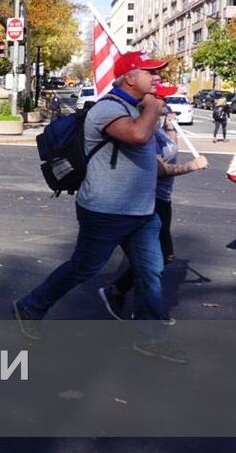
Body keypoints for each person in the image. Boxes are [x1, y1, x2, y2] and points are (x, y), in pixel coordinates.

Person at [12, 51, 186, 363]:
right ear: (130, 78)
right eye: (150, 72)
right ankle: (31, 306)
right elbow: (135, 136)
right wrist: (152, 108)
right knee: (85, 267)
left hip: (142, 212)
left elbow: (150, 159)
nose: (157, 77)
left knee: (151, 271)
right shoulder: (109, 109)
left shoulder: (137, 108)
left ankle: (150, 337)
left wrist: (180, 167)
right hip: (105, 209)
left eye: (158, 72)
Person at [99, 101, 209, 320]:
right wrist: (192, 166)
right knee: (157, 259)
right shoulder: (144, 133)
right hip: (152, 201)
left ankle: (130, 300)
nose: (166, 106)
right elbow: (158, 169)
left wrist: (170, 128)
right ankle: (124, 296)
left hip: (163, 201)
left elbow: (171, 151)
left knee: (154, 260)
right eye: (162, 103)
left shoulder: (157, 130)